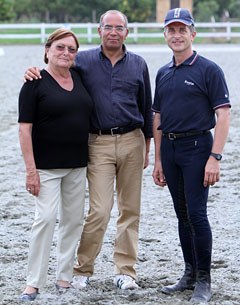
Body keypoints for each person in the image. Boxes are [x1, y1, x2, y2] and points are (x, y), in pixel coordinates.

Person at [24, 10, 153, 290]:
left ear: (126, 33)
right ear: (99, 30)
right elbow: (56, 69)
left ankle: (126, 271)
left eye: (120, 28)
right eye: (109, 27)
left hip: (133, 141)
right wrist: (32, 69)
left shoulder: (139, 64)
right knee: (99, 209)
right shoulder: (82, 61)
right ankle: (82, 268)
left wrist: (146, 145)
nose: (114, 32)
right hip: (98, 143)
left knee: (130, 210)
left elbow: (146, 105)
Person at [152, 8, 231, 303]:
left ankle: (204, 281)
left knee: (197, 215)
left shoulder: (209, 70)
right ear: (165, 35)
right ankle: (188, 273)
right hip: (170, 150)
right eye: (171, 30)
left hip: (197, 148)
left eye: (182, 29)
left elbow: (223, 116)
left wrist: (215, 157)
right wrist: (158, 159)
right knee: (181, 214)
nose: (176, 35)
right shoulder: (163, 72)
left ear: (192, 33)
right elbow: (157, 117)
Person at [18, 28, 93, 301]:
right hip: (46, 168)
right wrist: (31, 171)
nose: (66, 53)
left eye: (71, 49)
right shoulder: (34, 82)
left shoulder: (80, 77)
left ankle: (64, 277)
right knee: (45, 220)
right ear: (48, 49)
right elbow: (24, 130)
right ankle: (33, 282)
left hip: (77, 165)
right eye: (60, 47)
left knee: (73, 222)